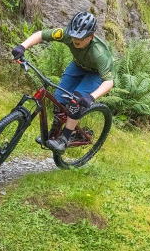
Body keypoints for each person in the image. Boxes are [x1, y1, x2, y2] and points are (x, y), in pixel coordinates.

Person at [11, 11, 114, 153]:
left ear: (91, 37)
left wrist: (91, 97)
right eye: (73, 37)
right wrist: (22, 46)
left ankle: (64, 138)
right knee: (58, 100)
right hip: (77, 66)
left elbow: (109, 82)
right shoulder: (67, 34)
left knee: (75, 102)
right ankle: (53, 134)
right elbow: (41, 35)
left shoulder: (100, 53)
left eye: (80, 38)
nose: (75, 40)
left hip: (95, 74)